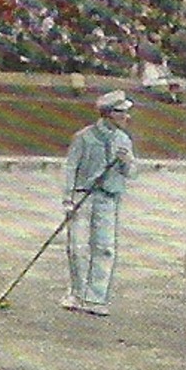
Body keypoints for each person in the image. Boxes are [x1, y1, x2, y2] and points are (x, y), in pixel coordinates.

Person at [61, 90, 137, 317]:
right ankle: (77, 293)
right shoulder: (84, 137)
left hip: (108, 198)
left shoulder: (123, 139)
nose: (126, 117)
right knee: (77, 247)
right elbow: (70, 167)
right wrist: (68, 199)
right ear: (108, 113)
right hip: (83, 196)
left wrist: (126, 162)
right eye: (121, 112)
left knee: (104, 247)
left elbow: (132, 173)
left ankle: (96, 297)